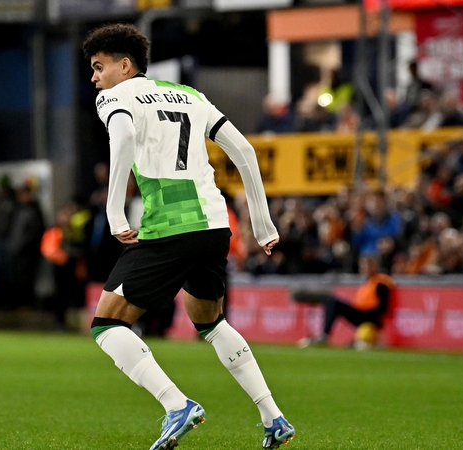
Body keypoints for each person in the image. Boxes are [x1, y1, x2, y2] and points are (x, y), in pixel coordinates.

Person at [82, 24, 295, 450]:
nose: (94, 78)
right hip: (215, 226)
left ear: (125, 66)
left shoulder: (114, 96)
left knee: (107, 324)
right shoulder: (188, 95)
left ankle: (175, 405)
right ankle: (273, 418)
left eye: (99, 67)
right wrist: (263, 223)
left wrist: (113, 209)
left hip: (171, 228)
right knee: (211, 322)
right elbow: (245, 152)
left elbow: (122, 136)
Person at [293, 254, 394, 348]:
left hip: (369, 316)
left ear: (375, 266)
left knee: (333, 302)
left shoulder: (380, 282)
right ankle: (324, 336)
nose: (364, 268)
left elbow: (383, 307)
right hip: (361, 313)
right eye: (362, 266)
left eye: (367, 265)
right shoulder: (369, 282)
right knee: (331, 301)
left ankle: (324, 336)